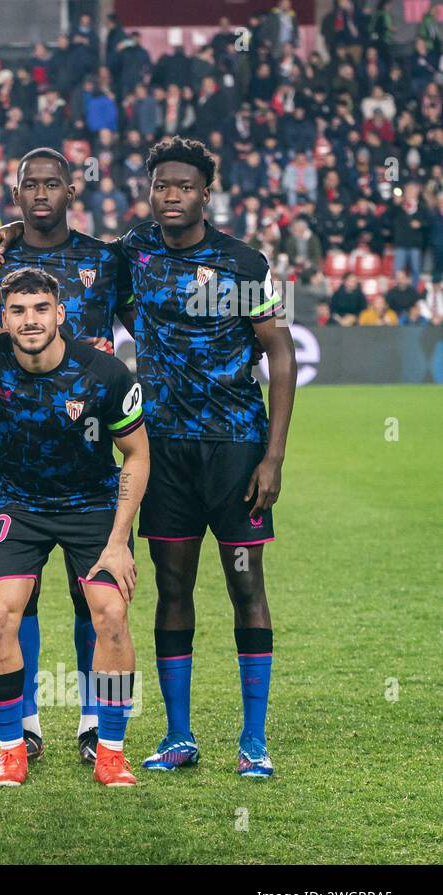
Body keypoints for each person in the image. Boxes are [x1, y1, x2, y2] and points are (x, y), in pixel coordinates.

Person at [123, 138, 296, 777]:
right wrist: (5, 232)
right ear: (150, 190)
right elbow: (69, 255)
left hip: (235, 450)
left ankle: (254, 740)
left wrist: (273, 456)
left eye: (185, 187)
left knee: (246, 586)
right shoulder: (132, 252)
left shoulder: (243, 263)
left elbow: (279, 351)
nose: (172, 196)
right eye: (161, 185)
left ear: (205, 192)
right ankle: (177, 736)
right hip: (163, 453)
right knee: (173, 588)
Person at [0, 147, 134, 764]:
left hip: (92, 454)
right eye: (29, 186)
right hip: (20, 462)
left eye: (52, 184)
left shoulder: (105, 259)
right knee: (17, 601)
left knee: (92, 599)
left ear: (70, 190)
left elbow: (141, 324)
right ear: (16, 195)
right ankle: (28, 723)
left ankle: (95, 722)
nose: (41, 194)